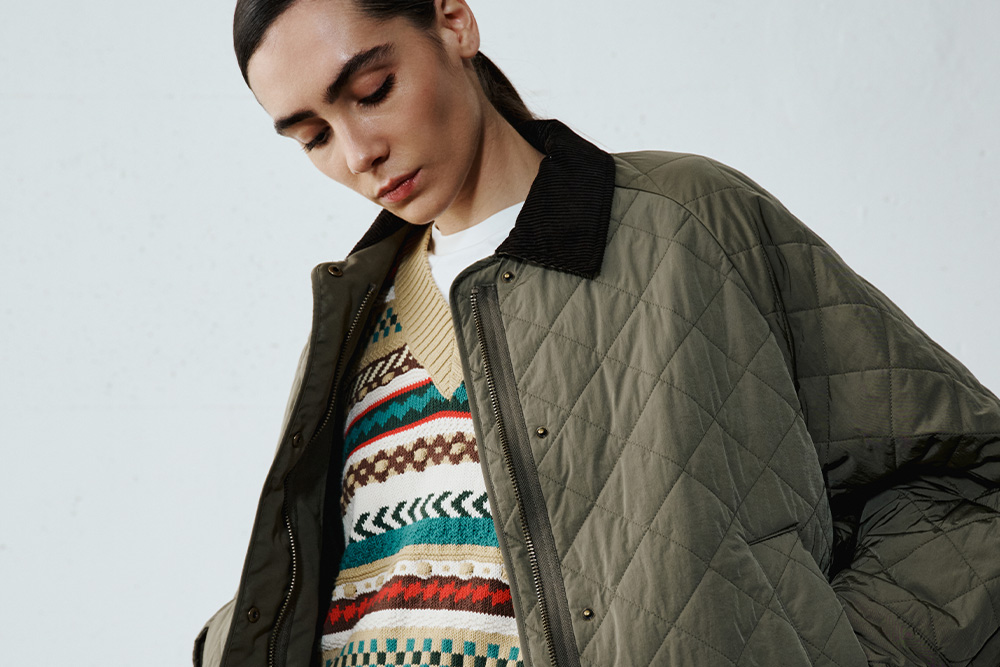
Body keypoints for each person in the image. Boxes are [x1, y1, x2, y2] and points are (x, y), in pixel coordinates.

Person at [195, 1, 1000, 665]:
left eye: (373, 90)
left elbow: (972, 484)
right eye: (313, 137)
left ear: (453, 22)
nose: (358, 153)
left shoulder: (684, 225)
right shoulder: (353, 318)